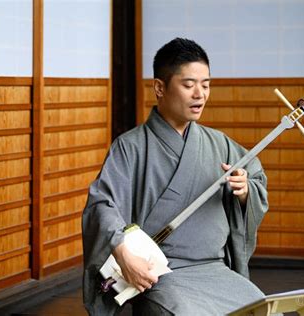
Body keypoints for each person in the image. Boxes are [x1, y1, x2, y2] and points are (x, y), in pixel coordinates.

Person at [82, 38, 268, 315]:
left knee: (263, 309)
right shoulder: (131, 147)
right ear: (159, 87)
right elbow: (102, 204)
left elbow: (255, 177)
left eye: (206, 85)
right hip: (161, 273)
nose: (200, 94)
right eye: (189, 84)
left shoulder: (220, 144)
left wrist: (245, 191)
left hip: (213, 268)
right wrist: (121, 251)